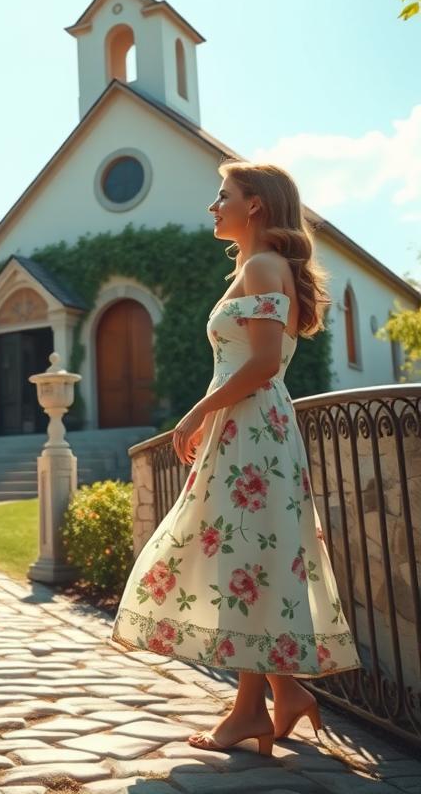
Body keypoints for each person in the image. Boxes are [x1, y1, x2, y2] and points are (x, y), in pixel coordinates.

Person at [112, 161, 359, 756]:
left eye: (223, 195)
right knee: (242, 554)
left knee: (242, 553)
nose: (212, 205)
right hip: (245, 426)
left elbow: (266, 362)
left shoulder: (264, 266)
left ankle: (254, 707)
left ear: (255, 205)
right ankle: (275, 695)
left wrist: (199, 410)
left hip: (252, 427)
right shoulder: (257, 267)